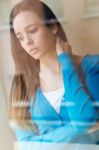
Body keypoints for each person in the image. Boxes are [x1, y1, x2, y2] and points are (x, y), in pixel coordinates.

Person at [8, 0, 99, 148]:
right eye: (20, 37)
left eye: (32, 31)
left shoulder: (93, 67)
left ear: (53, 26)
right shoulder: (22, 84)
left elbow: (84, 119)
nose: (27, 42)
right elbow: (25, 145)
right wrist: (76, 129)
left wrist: (66, 64)